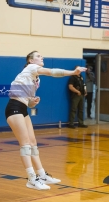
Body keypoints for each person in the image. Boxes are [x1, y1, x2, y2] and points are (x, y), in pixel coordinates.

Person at [5, 51, 87, 191]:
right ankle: (31, 179)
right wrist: (73, 72)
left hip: (23, 109)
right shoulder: (30, 68)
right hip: (14, 108)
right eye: (38, 56)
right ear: (31, 61)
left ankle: (42, 175)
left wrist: (33, 102)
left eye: (41, 56)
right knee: (25, 144)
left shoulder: (36, 79)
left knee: (33, 143)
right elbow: (52, 72)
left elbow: (29, 102)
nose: (41, 57)